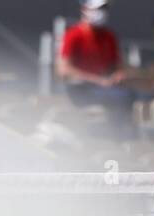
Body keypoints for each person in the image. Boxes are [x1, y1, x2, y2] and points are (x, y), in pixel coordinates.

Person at [58, 0, 135, 137]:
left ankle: (122, 138)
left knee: (135, 96)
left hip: (106, 89)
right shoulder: (74, 35)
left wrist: (118, 75)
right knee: (122, 98)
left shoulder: (109, 37)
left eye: (104, 9)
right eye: (98, 9)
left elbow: (118, 66)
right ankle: (116, 137)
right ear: (85, 9)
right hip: (81, 90)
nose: (102, 13)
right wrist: (98, 81)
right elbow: (64, 70)